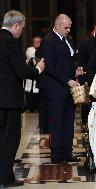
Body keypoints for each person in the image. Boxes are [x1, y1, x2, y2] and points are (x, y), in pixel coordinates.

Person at [0, 10, 45, 188]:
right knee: (10, 139)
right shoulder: (10, 41)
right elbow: (22, 72)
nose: (21, 32)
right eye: (21, 28)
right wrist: (38, 68)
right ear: (16, 25)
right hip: (8, 100)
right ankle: (6, 178)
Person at [40, 14, 84, 164]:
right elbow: (50, 67)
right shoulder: (48, 41)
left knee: (68, 123)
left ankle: (67, 152)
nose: (69, 30)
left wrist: (76, 69)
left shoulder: (69, 40)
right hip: (56, 90)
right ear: (57, 26)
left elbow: (70, 60)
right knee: (56, 123)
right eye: (66, 27)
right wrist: (67, 80)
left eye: (70, 27)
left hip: (68, 90)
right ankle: (56, 154)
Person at [77, 19, 96, 125]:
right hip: (88, 81)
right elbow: (81, 64)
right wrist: (82, 83)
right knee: (87, 109)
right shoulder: (85, 42)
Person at [24, 36, 42, 112]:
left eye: (38, 42)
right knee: (30, 91)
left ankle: (38, 107)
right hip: (31, 72)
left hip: (40, 73)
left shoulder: (43, 49)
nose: (37, 43)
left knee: (38, 90)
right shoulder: (30, 50)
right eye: (35, 41)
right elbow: (32, 57)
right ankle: (30, 107)